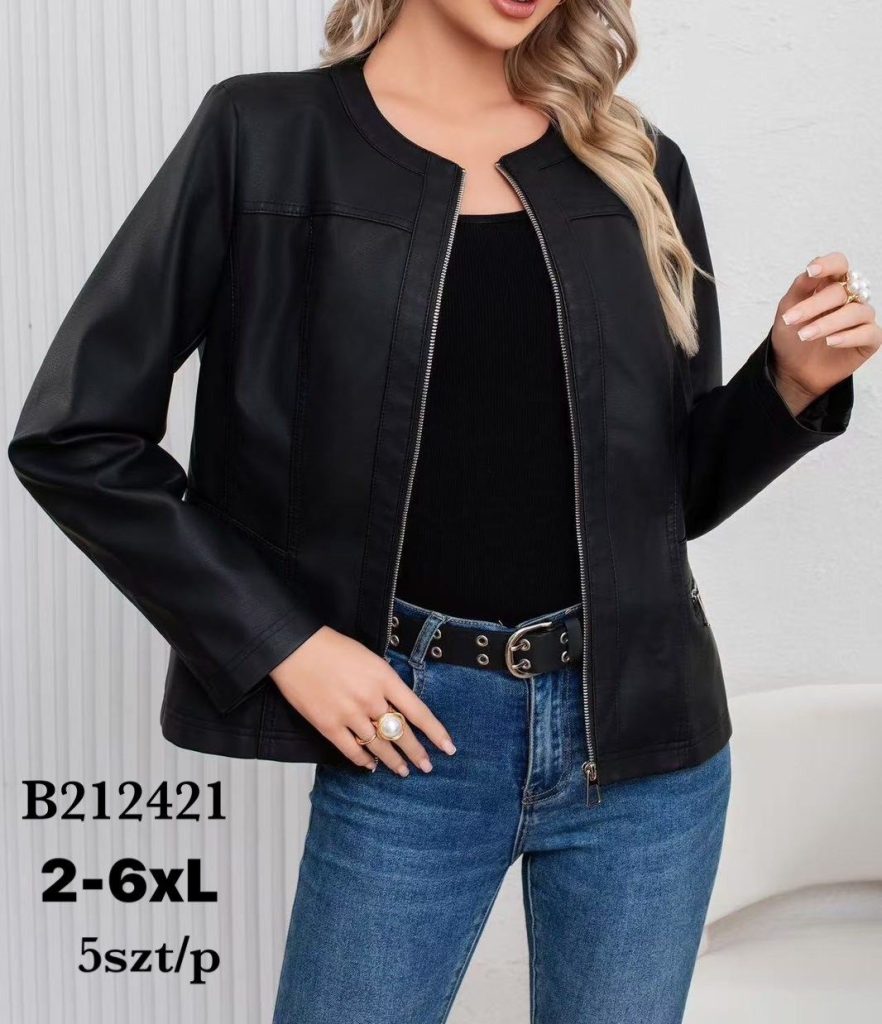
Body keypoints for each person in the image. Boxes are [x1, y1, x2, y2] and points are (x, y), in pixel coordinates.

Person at [8, 1, 877, 1022]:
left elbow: (663, 500)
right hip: (411, 734)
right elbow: (76, 437)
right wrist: (285, 643)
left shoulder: (634, 161)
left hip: (646, 743)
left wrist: (788, 383)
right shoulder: (264, 139)